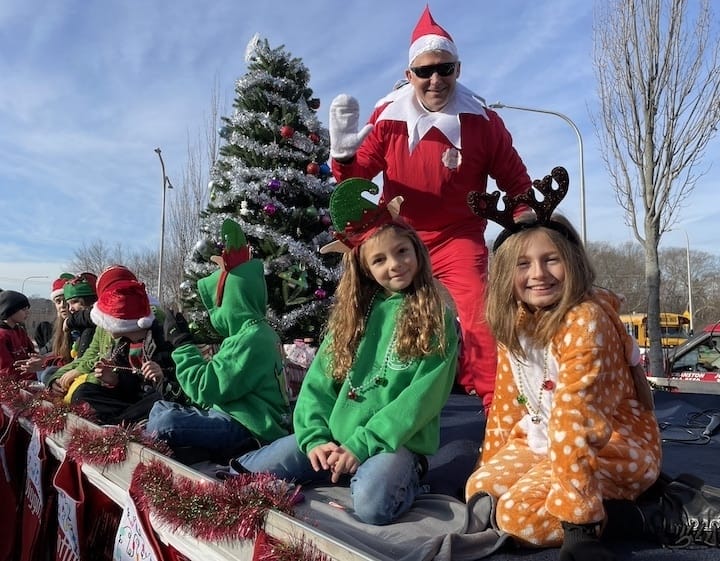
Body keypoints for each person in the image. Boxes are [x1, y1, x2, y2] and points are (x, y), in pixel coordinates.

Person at [329, 6, 532, 411]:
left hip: (458, 237)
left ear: (458, 69)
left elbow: (516, 183)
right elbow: (354, 185)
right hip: (400, 238)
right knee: (373, 316)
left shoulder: (484, 122)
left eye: (445, 69)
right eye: (424, 72)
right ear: (410, 76)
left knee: (479, 317)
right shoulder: (386, 119)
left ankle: (499, 411)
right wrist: (343, 157)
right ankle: (357, 403)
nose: (435, 79)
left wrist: (527, 225)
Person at [233, 178, 459, 525]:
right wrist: (315, 439)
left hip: (393, 443)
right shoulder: (353, 317)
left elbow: (421, 398)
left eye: (402, 251)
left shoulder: (436, 314)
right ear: (365, 268)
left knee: (373, 505)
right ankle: (332, 466)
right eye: (380, 259)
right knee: (246, 476)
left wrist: (362, 445)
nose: (395, 264)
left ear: (416, 250)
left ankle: (405, 479)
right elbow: (318, 384)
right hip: (336, 436)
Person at [464, 167, 663, 559]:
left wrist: (578, 522)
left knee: (519, 516)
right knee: (481, 489)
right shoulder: (517, 323)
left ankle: (643, 516)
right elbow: (507, 408)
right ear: (507, 273)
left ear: (571, 262)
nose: (538, 274)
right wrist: (492, 462)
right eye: (523, 264)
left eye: (550, 259)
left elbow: (578, 418)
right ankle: (581, 500)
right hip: (545, 442)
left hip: (611, 446)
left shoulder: (585, 319)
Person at [145, 219, 291, 464]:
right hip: (235, 417)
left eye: (216, 305)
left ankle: (210, 451)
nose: (214, 314)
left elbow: (204, 388)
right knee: (160, 409)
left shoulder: (251, 338)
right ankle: (196, 448)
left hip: (248, 429)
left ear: (233, 300)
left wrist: (181, 344)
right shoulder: (255, 333)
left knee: (164, 421)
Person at [65, 265, 179, 424]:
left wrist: (161, 376)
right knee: (84, 392)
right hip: (134, 403)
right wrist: (113, 380)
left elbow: (179, 390)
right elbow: (130, 391)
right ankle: (123, 421)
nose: (103, 327)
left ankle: (120, 422)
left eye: (106, 320)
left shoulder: (162, 339)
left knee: (156, 405)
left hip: (157, 402)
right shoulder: (123, 344)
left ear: (120, 322)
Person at [0, 290, 36, 379]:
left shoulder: (20, 331)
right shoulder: (2, 335)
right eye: (23, 309)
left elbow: (32, 354)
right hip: (11, 385)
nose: (27, 312)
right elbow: (5, 368)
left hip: (29, 378)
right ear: (10, 310)